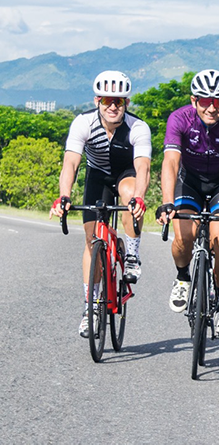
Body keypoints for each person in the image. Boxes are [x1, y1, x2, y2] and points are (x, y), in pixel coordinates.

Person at [49, 70, 152, 338]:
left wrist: (139, 197)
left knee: (129, 195)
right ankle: (90, 308)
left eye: (119, 101)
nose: (113, 106)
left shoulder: (137, 128)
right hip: (98, 177)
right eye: (108, 101)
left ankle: (131, 254)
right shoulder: (83, 123)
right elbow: (70, 163)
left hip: (126, 175)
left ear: (127, 103)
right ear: (97, 101)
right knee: (92, 239)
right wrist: (64, 195)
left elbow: (143, 168)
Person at [156, 69, 219, 339]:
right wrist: (166, 202)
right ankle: (183, 276)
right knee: (184, 235)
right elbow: (171, 162)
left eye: (218, 101)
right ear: (193, 100)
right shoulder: (180, 118)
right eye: (204, 101)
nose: (211, 107)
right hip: (191, 182)